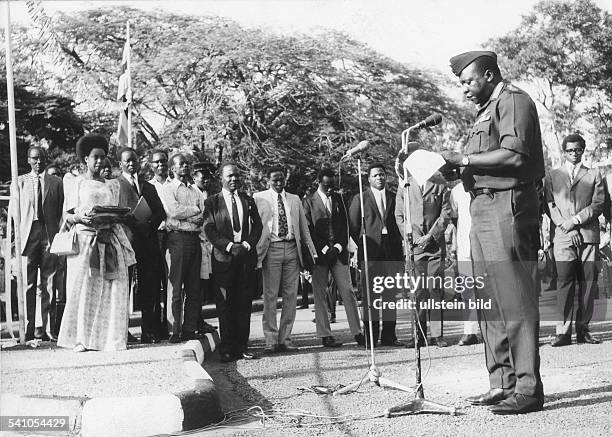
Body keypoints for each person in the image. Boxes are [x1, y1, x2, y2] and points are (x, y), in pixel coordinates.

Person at [441, 50, 545, 414]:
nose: (465, 89)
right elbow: (484, 160)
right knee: (488, 301)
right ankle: (501, 382)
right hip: (481, 207)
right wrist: (456, 169)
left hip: (507, 207)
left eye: (468, 81)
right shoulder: (484, 111)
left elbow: (514, 157)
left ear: (488, 74)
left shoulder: (513, 100)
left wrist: (465, 160)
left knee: (514, 297)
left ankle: (528, 389)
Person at [57, 134, 136, 352]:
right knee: (85, 290)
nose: (100, 161)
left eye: (102, 157)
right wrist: (81, 218)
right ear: (85, 159)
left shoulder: (112, 185)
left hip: (110, 238)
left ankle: (109, 338)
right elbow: (68, 215)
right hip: (86, 240)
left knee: (112, 287)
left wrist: (116, 216)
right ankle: (81, 338)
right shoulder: (76, 182)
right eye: (95, 157)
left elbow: (118, 210)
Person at [545, 133, 605, 346]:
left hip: (588, 237)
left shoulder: (594, 174)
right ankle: (562, 332)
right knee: (564, 283)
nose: (574, 153)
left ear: (583, 150)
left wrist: (576, 221)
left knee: (588, 283)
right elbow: (550, 205)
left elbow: (598, 204)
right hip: (563, 238)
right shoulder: (552, 176)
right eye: (570, 150)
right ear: (564, 151)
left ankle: (584, 330)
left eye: (578, 149)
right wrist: (567, 227)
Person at [254, 166, 317, 353]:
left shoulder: (294, 199)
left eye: (281, 179)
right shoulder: (260, 198)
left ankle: (286, 338)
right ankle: (271, 339)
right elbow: (255, 227)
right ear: (268, 180)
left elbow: (304, 229)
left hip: (291, 249)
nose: (279, 183)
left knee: (291, 296)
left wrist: (312, 251)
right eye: (275, 180)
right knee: (270, 295)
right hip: (271, 249)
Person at [204, 163, 263, 362]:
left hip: (245, 257)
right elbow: (210, 230)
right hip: (224, 258)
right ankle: (227, 348)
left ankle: (242, 347)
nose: (234, 179)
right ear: (221, 178)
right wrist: (229, 246)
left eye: (237, 176)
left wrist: (246, 244)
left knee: (243, 304)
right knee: (225, 304)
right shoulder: (212, 202)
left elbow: (258, 226)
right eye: (229, 176)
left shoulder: (247, 199)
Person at [303, 168, 365, 348]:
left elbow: (344, 226)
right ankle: (325, 334)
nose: (330, 190)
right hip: (319, 256)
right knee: (320, 295)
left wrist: (338, 247)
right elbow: (308, 230)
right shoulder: (308, 202)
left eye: (332, 186)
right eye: (326, 186)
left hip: (338, 254)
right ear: (318, 183)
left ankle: (357, 332)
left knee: (347, 291)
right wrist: (323, 249)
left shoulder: (338, 199)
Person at [9, 146, 63, 343]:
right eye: (34, 158)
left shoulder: (56, 182)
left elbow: (60, 211)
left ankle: (49, 330)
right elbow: (15, 214)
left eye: (41, 158)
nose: (38, 162)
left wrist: (56, 233)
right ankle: (28, 329)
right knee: (28, 284)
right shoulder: (19, 182)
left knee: (49, 283)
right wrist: (17, 240)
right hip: (28, 235)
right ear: (29, 160)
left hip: (48, 234)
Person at [348, 162, 404, 347]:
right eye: (375, 175)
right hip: (370, 251)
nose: (379, 178)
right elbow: (353, 226)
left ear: (386, 176)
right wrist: (358, 249)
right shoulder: (360, 198)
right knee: (370, 296)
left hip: (391, 250)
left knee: (389, 295)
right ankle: (370, 337)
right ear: (369, 179)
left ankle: (389, 336)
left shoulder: (394, 197)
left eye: (381, 174)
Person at [395, 167, 451, 348]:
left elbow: (446, 213)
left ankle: (437, 335)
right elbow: (399, 216)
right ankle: (418, 335)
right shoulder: (405, 185)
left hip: (434, 246)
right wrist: (411, 237)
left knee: (435, 290)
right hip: (414, 246)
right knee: (418, 292)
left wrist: (431, 236)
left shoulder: (440, 184)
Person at [117, 147, 167, 344]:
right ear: (120, 164)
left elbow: (160, 212)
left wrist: (147, 225)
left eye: (134, 160)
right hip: (126, 242)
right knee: (124, 288)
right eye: (127, 161)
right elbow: (116, 212)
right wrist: (133, 223)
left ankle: (149, 331)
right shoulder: (116, 185)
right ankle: (123, 331)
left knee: (149, 288)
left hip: (147, 242)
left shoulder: (148, 186)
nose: (131, 164)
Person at [161, 153, 206, 343]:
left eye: (188, 163)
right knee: (176, 286)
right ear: (172, 168)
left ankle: (189, 328)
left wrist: (191, 214)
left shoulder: (195, 191)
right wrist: (194, 212)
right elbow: (173, 211)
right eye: (181, 164)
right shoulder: (168, 188)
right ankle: (174, 330)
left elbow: (204, 216)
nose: (185, 166)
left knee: (194, 288)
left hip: (194, 239)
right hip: (177, 240)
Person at [449, 182, 480, 346]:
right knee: (468, 291)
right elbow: (455, 218)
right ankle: (470, 332)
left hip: (486, 245)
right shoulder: (456, 191)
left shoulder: (487, 184)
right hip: (464, 245)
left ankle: (496, 330)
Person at [148, 149, 170, 337]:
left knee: (171, 281)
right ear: (151, 165)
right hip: (154, 236)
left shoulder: (175, 184)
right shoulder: (148, 186)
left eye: (163, 161)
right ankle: (156, 325)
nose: (160, 165)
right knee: (155, 282)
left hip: (173, 235)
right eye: (156, 162)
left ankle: (170, 324)